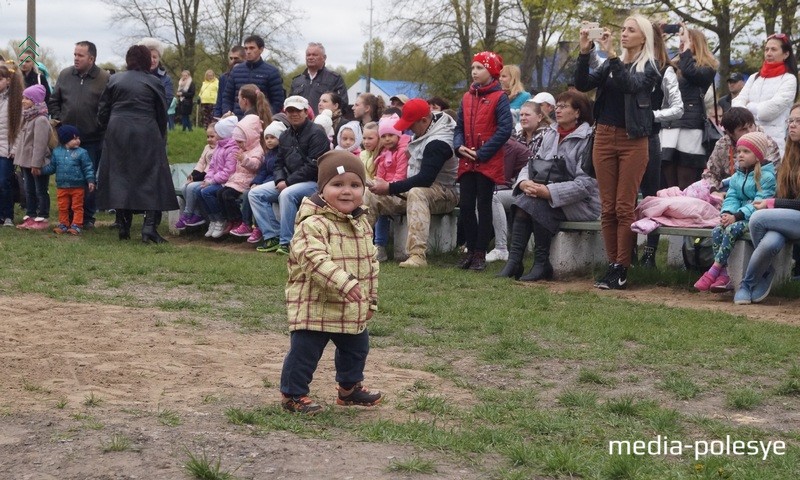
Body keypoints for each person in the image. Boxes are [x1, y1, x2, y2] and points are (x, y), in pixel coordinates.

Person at [279, 150, 381, 414]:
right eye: (337, 184)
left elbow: (371, 265)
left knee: (357, 348)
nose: (347, 191)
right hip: (315, 304)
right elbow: (313, 260)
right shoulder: (312, 224)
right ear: (322, 190)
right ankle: (293, 394)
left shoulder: (362, 225)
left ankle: (349, 389)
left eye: (355, 185)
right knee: (305, 353)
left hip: (350, 305)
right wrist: (345, 283)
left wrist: (371, 300)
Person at [575, 14, 660, 290]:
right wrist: (584, 51)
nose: (623, 34)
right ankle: (612, 264)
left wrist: (611, 55)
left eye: (630, 30)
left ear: (643, 37)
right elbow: (582, 84)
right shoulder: (612, 65)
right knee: (607, 208)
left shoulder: (650, 67)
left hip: (633, 140)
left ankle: (622, 267)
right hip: (604, 137)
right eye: (622, 29)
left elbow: (630, 87)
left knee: (624, 207)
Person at [497, 91, 600, 280]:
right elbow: (532, 163)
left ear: (577, 112)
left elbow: (585, 185)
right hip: (546, 195)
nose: (557, 110)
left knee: (534, 203)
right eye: (557, 106)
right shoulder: (551, 133)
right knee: (526, 199)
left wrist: (549, 192)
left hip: (582, 203)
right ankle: (516, 261)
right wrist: (525, 182)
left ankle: (538, 263)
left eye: (564, 106)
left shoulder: (589, 139)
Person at [363, 98, 460, 268]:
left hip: (445, 192)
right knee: (370, 193)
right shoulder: (429, 121)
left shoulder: (439, 142)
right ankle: (359, 247)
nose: (407, 128)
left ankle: (417, 255)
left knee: (417, 192)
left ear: (423, 120)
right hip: (416, 186)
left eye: (411, 124)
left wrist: (390, 187)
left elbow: (425, 179)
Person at [96, 45, 179, 243]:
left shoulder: (114, 79)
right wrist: (159, 136)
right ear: (145, 60)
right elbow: (161, 111)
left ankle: (123, 225)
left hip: (117, 130)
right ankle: (148, 228)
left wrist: (108, 128)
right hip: (145, 129)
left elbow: (102, 110)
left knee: (120, 175)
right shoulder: (153, 81)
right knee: (151, 176)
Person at [694, 132, 776, 292]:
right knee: (718, 230)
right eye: (738, 151)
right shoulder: (738, 175)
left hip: (756, 218)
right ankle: (725, 274)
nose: (740, 155)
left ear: (758, 155)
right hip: (736, 216)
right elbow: (732, 196)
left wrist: (736, 216)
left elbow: (759, 202)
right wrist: (726, 213)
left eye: (746, 152)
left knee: (732, 229)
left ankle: (713, 271)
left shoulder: (767, 176)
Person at [453, 51, 513, 271]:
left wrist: (483, 152)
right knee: (467, 206)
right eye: (473, 68)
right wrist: (458, 146)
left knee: (484, 205)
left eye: (480, 68)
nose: (475, 72)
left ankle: (480, 252)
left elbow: (505, 129)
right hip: (467, 160)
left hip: (486, 161)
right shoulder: (467, 97)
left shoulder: (500, 98)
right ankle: (470, 249)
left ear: (492, 71)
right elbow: (458, 127)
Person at [735, 104, 800, 304]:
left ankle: (749, 282)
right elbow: (784, 194)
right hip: (790, 219)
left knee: (759, 217)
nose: (792, 126)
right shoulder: (789, 155)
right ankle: (755, 279)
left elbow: (780, 202)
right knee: (770, 242)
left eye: (798, 121)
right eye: (791, 121)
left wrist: (772, 203)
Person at [251, 96, 330, 254]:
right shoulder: (285, 135)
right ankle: (272, 235)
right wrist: (280, 179)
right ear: (285, 113)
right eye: (290, 111)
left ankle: (288, 242)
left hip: (314, 183)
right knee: (255, 193)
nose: (293, 114)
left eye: (297, 110)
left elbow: (314, 166)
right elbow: (278, 163)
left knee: (286, 194)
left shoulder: (317, 133)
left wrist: (287, 182)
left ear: (306, 112)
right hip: (289, 181)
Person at [637, 22, 685, 268]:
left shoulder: (664, 69)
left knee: (650, 195)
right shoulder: (625, 66)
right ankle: (624, 253)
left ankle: (650, 252)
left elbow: (678, 108)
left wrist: (650, 116)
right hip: (620, 139)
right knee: (622, 199)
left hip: (648, 138)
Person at [49, 41, 110, 229]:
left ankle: (87, 217)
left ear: (91, 58)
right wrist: (59, 121)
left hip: (91, 138)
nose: (76, 58)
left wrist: (99, 125)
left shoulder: (104, 78)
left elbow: (107, 107)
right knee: (67, 176)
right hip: (66, 139)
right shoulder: (65, 75)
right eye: (75, 54)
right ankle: (67, 216)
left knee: (87, 178)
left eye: (80, 55)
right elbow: (54, 100)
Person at [659, 27, 718, 190]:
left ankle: (685, 212)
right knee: (668, 182)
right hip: (669, 125)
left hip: (690, 127)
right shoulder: (675, 65)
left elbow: (691, 73)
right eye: (680, 41)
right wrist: (658, 40)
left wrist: (685, 51)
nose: (681, 44)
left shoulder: (707, 66)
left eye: (685, 41)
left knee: (686, 182)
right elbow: (657, 69)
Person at [732, 33, 798, 156]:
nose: (768, 53)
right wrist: (754, 110)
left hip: (774, 144)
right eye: (766, 49)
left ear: (786, 54)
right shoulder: (754, 77)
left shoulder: (789, 79)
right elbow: (736, 105)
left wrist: (749, 105)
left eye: (773, 49)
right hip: (749, 142)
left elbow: (767, 112)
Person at [231, 120, 285, 242]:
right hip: (265, 183)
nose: (269, 140)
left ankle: (260, 227)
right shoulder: (268, 154)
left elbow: (278, 172)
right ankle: (247, 224)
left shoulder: (281, 153)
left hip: (276, 183)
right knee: (247, 193)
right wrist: (255, 182)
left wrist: (262, 184)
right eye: (267, 138)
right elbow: (262, 171)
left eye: (273, 137)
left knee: (254, 194)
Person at [702, 107, 781, 190]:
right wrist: (713, 191)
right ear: (730, 133)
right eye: (743, 129)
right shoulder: (723, 144)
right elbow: (710, 173)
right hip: (728, 190)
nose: (750, 132)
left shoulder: (767, 143)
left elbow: (768, 176)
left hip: (759, 190)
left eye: (751, 126)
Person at [40, 125, 95, 235]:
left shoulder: (82, 153)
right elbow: (52, 167)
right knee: (63, 206)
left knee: (77, 206)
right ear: (65, 139)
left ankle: (76, 225)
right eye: (74, 138)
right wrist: (41, 171)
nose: (78, 141)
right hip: (62, 186)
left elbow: (88, 167)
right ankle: (63, 224)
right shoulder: (56, 152)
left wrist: (90, 180)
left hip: (78, 186)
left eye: (78, 138)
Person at [216, 115, 264, 236]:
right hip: (237, 179)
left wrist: (245, 160)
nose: (239, 144)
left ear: (249, 138)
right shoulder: (242, 149)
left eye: (240, 142)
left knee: (228, 195)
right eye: (237, 142)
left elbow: (256, 165)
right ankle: (230, 220)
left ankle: (238, 219)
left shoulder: (258, 149)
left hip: (248, 180)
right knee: (220, 193)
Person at [372, 115, 411, 262]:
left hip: (400, 191)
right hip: (387, 190)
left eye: (391, 135)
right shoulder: (383, 154)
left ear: (398, 135)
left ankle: (379, 244)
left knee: (379, 202)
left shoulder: (403, 152)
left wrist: (386, 186)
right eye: (384, 136)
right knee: (377, 203)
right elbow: (379, 175)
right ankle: (378, 245)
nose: (387, 139)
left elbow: (401, 175)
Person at [12, 85, 52, 230]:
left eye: (27, 98)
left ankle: (42, 216)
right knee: (29, 190)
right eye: (23, 98)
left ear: (35, 101)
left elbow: (40, 144)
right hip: (25, 162)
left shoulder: (40, 119)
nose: (23, 101)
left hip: (36, 164)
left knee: (40, 190)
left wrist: (36, 164)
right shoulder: (27, 117)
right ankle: (31, 215)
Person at [221, 35, 285, 118]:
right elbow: (227, 97)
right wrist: (228, 113)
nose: (248, 51)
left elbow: (278, 101)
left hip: (260, 122)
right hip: (237, 120)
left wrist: (266, 117)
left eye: (252, 48)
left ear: (261, 49)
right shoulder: (236, 71)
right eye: (246, 48)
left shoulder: (272, 72)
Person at [199, 116, 239, 238]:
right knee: (198, 190)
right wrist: (208, 179)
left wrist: (211, 181)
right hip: (216, 179)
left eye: (217, 132)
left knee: (206, 192)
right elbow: (211, 167)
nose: (215, 134)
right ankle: (212, 219)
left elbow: (228, 171)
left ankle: (220, 219)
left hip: (225, 181)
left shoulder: (232, 148)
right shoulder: (219, 146)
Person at [174, 122, 217, 230]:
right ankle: (195, 214)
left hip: (211, 178)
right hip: (202, 176)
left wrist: (195, 179)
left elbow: (211, 168)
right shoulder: (207, 147)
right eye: (207, 136)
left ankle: (189, 214)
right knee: (185, 187)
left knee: (192, 187)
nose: (209, 139)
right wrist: (192, 175)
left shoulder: (219, 149)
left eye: (212, 136)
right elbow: (201, 163)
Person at [290, 43, 348, 115]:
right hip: (300, 124)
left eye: (314, 55)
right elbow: (289, 105)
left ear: (324, 57)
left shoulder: (334, 79)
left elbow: (342, 106)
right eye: (308, 55)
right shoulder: (297, 81)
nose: (310, 57)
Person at [0, 62, 24, 226]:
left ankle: (7, 214)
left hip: (6, 150)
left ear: (8, 80)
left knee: (4, 182)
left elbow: (20, 128)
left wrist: (15, 149)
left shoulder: (15, 102)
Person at [138, 38, 174, 109]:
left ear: (159, 59)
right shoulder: (135, 76)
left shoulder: (166, 79)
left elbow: (167, 101)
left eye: (154, 57)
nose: (152, 60)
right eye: (149, 57)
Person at [213, 46, 244, 118]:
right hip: (226, 114)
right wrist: (216, 116)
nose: (233, 61)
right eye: (231, 58)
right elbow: (220, 99)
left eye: (236, 58)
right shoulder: (223, 78)